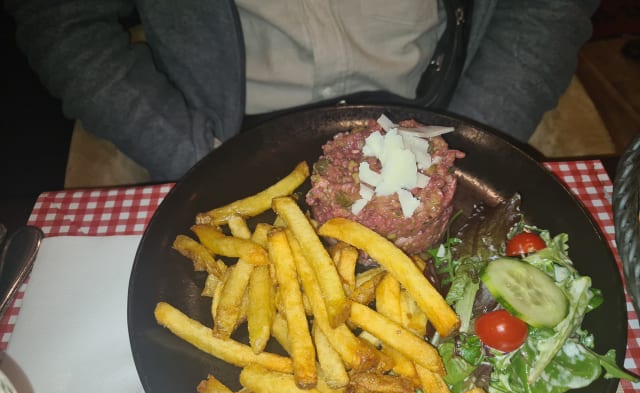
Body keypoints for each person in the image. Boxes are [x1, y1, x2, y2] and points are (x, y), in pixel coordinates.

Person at [5, 0, 599, 182]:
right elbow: (57, 16)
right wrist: (190, 150)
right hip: (221, 131)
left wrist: (469, 132)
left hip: (437, 107)